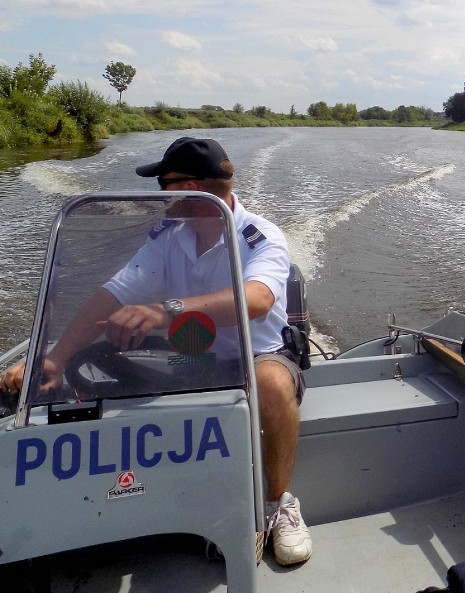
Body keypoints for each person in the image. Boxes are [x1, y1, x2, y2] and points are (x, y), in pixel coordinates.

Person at [0, 137, 312, 566]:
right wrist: (52, 357)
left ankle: (279, 503)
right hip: (196, 355)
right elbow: (114, 293)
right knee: (102, 365)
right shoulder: (169, 236)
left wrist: (166, 309)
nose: (157, 194)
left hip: (257, 355)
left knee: (271, 383)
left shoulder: (260, 236)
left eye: (165, 183)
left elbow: (256, 299)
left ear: (196, 188)